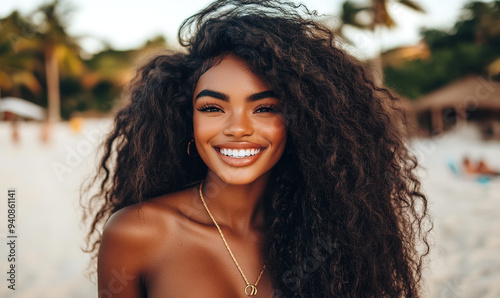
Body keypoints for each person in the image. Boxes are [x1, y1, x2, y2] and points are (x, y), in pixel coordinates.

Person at [81, 0, 430, 297]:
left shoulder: (334, 233)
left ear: (301, 122)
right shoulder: (137, 233)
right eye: (212, 108)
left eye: (265, 108)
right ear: (187, 120)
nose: (237, 128)